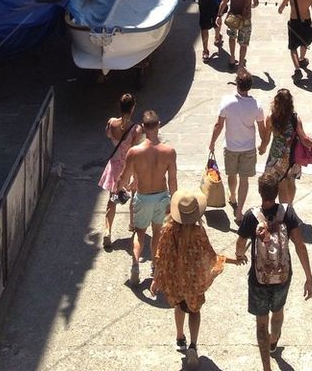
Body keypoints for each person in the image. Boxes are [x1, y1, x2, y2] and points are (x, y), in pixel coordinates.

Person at [235, 171, 312, 371]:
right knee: (277, 312)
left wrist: (239, 255)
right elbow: (299, 245)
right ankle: (274, 341)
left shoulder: (251, 216)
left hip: (258, 279)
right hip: (283, 276)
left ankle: (266, 367)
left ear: (260, 192)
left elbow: (240, 243)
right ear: (277, 192)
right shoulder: (287, 213)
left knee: (261, 322)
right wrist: (309, 277)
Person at [151, 189, 229, 366]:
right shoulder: (198, 232)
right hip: (193, 281)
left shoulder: (167, 230)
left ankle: (180, 338)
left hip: (175, 278)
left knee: (179, 306)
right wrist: (227, 260)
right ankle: (193, 346)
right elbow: (210, 256)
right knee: (194, 310)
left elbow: (160, 256)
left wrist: (157, 278)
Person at [119, 109, 178, 286]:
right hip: (161, 197)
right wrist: (174, 201)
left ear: (143, 128)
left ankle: (136, 264)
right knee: (158, 234)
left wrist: (119, 188)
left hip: (143, 197)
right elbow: (173, 180)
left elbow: (124, 176)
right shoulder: (169, 151)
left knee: (140, 233)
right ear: (158, 126)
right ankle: (155, 266)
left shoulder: (134, 152)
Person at [208, 70, 267, 220]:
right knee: (244, 179)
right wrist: (263, 145)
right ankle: (239, 211)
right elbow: (262, 128)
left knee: (231, 174)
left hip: (231, 147)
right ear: (250, 86)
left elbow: (218, 125)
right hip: (248, 148)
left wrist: (212, 142)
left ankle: (232, 196)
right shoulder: (256, 106)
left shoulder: (227, 102)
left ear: (237, 84)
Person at [259, 87, 312, 205]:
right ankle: (289, 207)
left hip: (277, 155)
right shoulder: (295, 118)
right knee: (291, 181)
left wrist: (262, 148)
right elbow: (304, 139)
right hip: (293, 155)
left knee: (281, 184)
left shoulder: (271, 117)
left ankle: (283, 211)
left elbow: (267, 138)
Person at [98, 92, 141, 250]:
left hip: (115, 165)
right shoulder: (136, 129)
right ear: (133, 108)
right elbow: (135, 150)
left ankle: (107, 231)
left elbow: (108, 134)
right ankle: (132, 224)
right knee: (134, 196)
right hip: (129, 166)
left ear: (119, 106)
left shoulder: (111, 123)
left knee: (112, 200)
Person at [217, 0, 259, 72]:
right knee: (243, 43)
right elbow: (256, 2)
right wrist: (251, 6)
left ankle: (232, 58)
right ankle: (240, 65)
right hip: (245, 19)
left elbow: (224, 2)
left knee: (232, 38)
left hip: (233, 18)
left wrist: (219, 15)